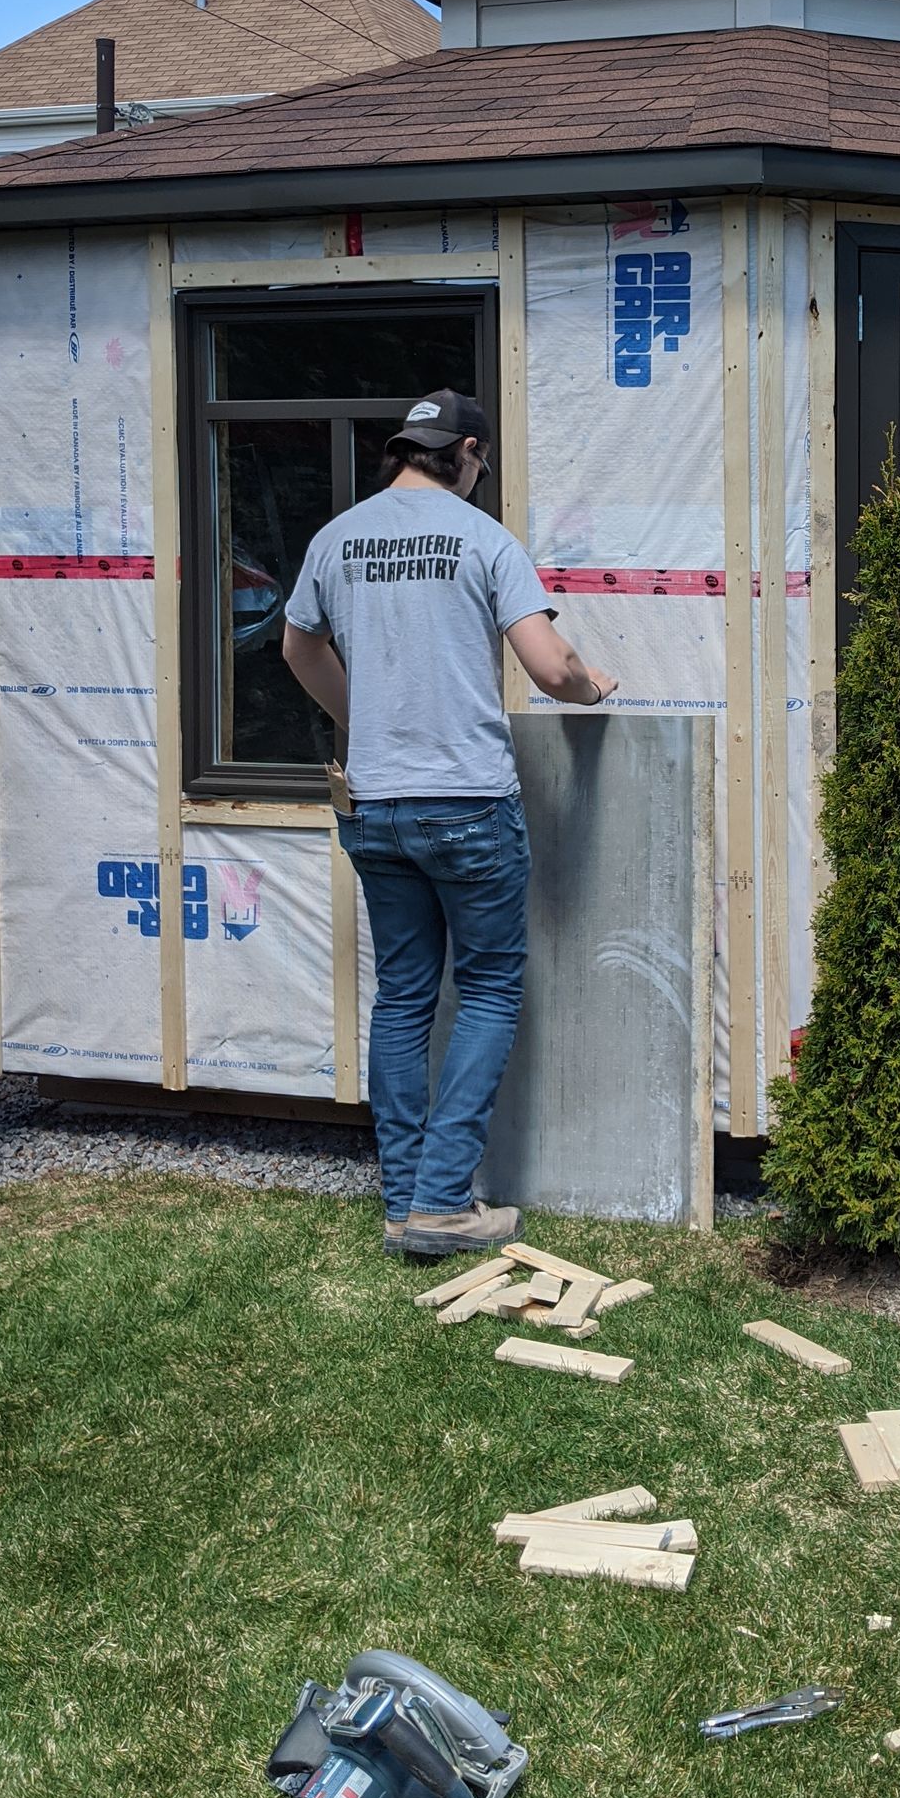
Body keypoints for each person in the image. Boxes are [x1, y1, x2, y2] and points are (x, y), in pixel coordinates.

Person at [281, 389, 617, 1258]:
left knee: (402, 997)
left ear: (403, 452)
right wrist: (593, 687)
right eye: (481, 462)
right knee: (491, 989)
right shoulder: (482, 539)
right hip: (466, 804)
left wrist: (366, 719)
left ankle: (402, 1201)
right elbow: (551, 667)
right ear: (467, 451)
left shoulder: (336, 538)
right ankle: (440, 1202)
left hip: (377, 803)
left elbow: (297, 649)